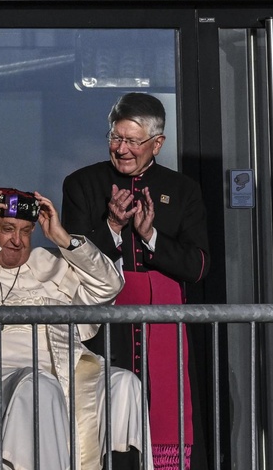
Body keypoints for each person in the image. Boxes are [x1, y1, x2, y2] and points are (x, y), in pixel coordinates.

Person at [0, 187, 149, 470]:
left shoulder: (51, 262)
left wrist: (61, 237)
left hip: (65, 367)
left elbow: (110, 285)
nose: (17, 240)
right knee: (40, 388)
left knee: (122, 384)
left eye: (27, 231)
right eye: (7, 228)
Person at [61, 92, 210, 469]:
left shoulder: (183, 190)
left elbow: (198, 265)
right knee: (105, 425)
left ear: (157, 143)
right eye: (116, 138)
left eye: (132, 141)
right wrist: (112, 226)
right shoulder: (81, 184)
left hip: (164, 325)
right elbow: (72, 259)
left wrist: (152, 238)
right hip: (104, 325)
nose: (122, 149)